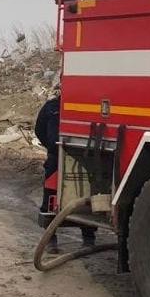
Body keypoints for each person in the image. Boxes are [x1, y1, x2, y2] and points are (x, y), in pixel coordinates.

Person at [34, 87, 96, 250]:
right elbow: (39, 130)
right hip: (56, 161)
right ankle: (50, 240)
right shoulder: (51, 108)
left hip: (83, 159)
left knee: (85, 197)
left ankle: (88, 237)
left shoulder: (87, 108)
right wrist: (52, 148)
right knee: (50, 199)